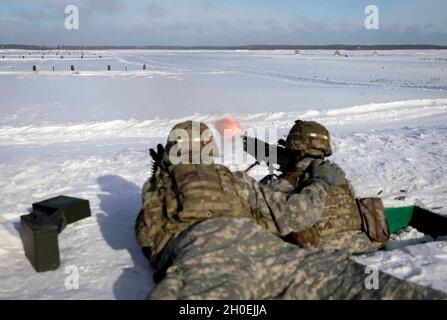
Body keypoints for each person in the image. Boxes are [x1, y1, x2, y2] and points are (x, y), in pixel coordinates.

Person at [135, 120, 445, 300]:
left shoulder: (156, 188)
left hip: (204, 258)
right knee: (357, 283)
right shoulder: (235, 179)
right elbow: (290, 216)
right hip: (272, 254)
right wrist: (318, 185)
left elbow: (149, 237)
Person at [260, 120, 388, 254]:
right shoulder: (339, 177)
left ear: (293, 147)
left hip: (318, 254)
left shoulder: (284, 183)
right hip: (361, 245)